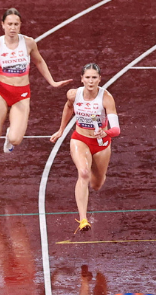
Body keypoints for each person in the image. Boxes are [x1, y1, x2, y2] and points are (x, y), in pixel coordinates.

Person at [0, 8, 71, 182]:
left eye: (16, 24)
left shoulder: (28, 43)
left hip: (21, 95)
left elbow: (39, 61)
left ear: (20, 26)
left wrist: (52, 81)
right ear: (3, 25)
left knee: (15, 139)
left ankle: (9, 137)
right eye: (9, 24)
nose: (12, 27)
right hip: (1, 93)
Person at [49, 64, 121, 233]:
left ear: (99, 79)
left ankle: (96, 182)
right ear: (82, 79)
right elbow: (68, 107)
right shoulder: (74, 94)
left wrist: (105, 132)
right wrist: (61, 130)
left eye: (94, 77)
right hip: (80, 139)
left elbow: (116, 129)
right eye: (87, 77)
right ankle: (83, 219)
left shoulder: (106, 98)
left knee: (96, 183)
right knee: (83, 173)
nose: (90, 81)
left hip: (101, 143)